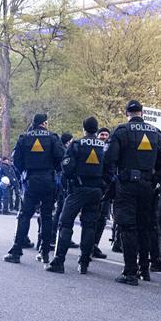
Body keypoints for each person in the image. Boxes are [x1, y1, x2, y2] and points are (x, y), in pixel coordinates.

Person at [104, 100, 161, 286]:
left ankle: (130, 272)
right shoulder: (156, 132)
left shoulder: (121, 131)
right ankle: (144, 269)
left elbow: (109, 158)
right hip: (148, 185)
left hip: (127, 185)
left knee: (127, 227)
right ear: (142, 112)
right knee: (145, 226)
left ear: (127, 113)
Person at [45, 117, 105, 275]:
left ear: (84, 128)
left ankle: (59, 261)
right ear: (96, 129)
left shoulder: (77, 145)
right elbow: (110, 169)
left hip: (78, 189)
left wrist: (69, 183)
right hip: (96, 190)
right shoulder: (104, 147)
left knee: (65, 223)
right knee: (89, 226)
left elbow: (66, 167)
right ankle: (84, 263)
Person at [4, 114, 64, 264]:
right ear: (44, 123)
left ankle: (16, 251)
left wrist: (24, 172)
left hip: (31, 180)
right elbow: (61, 157)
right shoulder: (52, 137)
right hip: (48, 180)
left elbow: (16, 160)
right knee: (46, 216)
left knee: (25, 215)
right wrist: (54, 171)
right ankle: (44, 252)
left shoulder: (24, 137)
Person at [90, 127, 112, 260]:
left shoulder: (110, 150)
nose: (104, 136)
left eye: (106, 134)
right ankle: (88, 246)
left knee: (102, 219)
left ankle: (94, 245)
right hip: (94, 188)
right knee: (92, 219)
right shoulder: (94, 149)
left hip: (106, 190)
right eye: (101, 134)